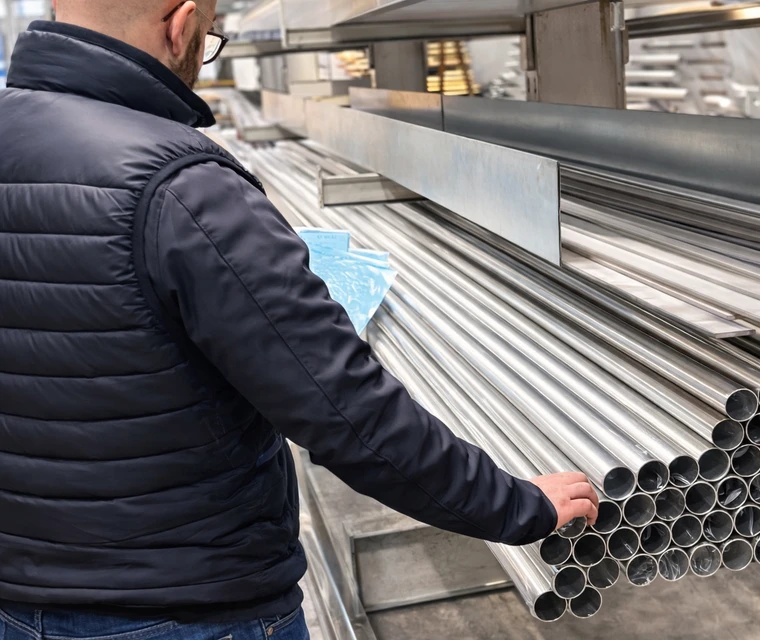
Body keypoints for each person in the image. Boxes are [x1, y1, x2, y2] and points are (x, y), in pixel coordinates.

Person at [0, 1, 601, 638]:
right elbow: (345, 412)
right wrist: (514, 505)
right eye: (209, 41)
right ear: (180, 24)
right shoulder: (186, 188)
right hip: (186, 609)